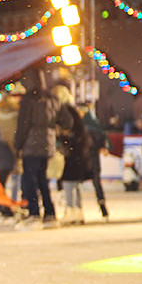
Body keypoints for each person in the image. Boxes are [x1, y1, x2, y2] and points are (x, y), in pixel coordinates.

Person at [13, 66, 73, 228]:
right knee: (42, 179)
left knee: (30, 179)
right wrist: (54, 128)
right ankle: (50, 213)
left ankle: (33, 213)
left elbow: (23, 124)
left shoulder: (29, 99)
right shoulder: (53, 97)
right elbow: (68, 121)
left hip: (31, 145)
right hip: (48, 144)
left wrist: (17, 145)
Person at [51, 85, 93, 225]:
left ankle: (70, 211)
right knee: (75, 184)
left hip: (72, 153)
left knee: (69, 183)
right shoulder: (73, 111)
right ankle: (78, 211)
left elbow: (69, 132)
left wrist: (64, 142)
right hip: (78, 152)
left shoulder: (65, 112)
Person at [0, 83, 26, 206]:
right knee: (17, 177)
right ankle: (15, 201)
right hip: (15, 147)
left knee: (2, 179)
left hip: (2, 150)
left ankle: (3, 204)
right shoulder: (18, 114)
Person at [79, 102, 111, 219]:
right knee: (93, 182)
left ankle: (102, 206)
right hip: (86, 158)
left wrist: (104, 147)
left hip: (89, 158)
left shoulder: (90, 124)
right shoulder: (90, 123)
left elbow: (102, 137)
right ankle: (77, 208)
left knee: (95, 183)